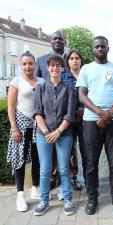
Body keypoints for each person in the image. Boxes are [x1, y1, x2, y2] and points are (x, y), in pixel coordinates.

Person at [76, 36, 113, 215]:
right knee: (91, 163)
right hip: (91, 121)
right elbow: (82, 95)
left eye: (102, 46)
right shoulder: (86, 68)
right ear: (93, 49)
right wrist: (100, 113)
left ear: (108, 48)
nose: (100, 49)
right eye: (97, 46)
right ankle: (92, 197)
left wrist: (110, 114)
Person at [34, 54, 76, 216]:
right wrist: (46, 132)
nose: (55, 68)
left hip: (64, 134)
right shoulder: (41, 88)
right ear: (47, 67)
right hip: (43, 134)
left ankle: (67, 200)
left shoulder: (69, 88)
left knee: (64, 168)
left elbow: (70, 114)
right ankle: (44, 201)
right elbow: (38, 113)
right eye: (52, 65)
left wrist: (58, 132)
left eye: (58, 65)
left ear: (63, 68)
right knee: (45, 170)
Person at [7, 52, 44, 212]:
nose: (27, 66)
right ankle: (20, 194)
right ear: (21, 65)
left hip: (38, 124)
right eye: (24, 64)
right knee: (20, 159)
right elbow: (10, 106)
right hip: (21, 124)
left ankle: (35, 188)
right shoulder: (17, 81)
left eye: (30, 63)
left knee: (37, 157)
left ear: (35, 64)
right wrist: (14, 127)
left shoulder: (42, 81)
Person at [35, 31, 68, 197]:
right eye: (54, 38)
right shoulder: (40, 60)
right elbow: (38, 89)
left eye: (60, 39)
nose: (57, 41)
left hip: (65, 121)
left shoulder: (70, 58)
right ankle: (46, 192)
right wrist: (47, 131)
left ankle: (65, 189)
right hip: (45, 121)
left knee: (65, 163)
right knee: (46, 165)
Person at [62, 49, 86, 191]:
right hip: (69, 119)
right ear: (68, 61)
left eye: (77, 58)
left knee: (86, 149)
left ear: (81, 60)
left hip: (85, 118)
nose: (75, 60)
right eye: (71, 58)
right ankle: (73, 178)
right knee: (70, 151)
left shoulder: (87, 75)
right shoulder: (64, 77)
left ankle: (89, 179)